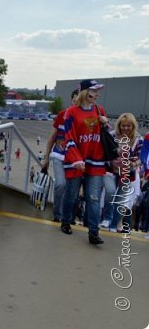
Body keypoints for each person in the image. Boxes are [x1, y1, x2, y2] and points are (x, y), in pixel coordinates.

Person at [60, 79, 108, 245]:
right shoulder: (71, 113)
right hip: (75, 161)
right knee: (72, 196)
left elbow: (105, 136)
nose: (97, 94)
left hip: (95, 161)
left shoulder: (99, 110)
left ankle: (93, 233)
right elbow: (68, 138)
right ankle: (66, 221)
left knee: (93, 198)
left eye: (97, 91)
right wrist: (76, 159)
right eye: (94, 90)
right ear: (84, 92)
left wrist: (105, 123)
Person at [42, 89, 79, 222]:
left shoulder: (84, 119)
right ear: (71, 100)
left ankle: (69, 216)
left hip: (76, 160)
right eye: (75, 101)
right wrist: (46, 158)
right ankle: (57, 215)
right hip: (59, 156)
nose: (77, 104)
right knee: (60, 185)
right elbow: (52, 137)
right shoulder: (62, 115)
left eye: (79, 102)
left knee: (73, 190)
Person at [106, 113, 143, 233]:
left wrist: (133, 164)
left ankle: (113, 225)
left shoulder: (138, 139)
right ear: (119, 125)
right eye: (123, 125)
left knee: (121, 201)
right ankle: (106, 218)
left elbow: (140, 158)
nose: (125, 128)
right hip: (111, 171)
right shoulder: (112, 136)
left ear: (133, 126)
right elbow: (106, 153)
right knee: (110, 193)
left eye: (128, 126)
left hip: (128, 173)